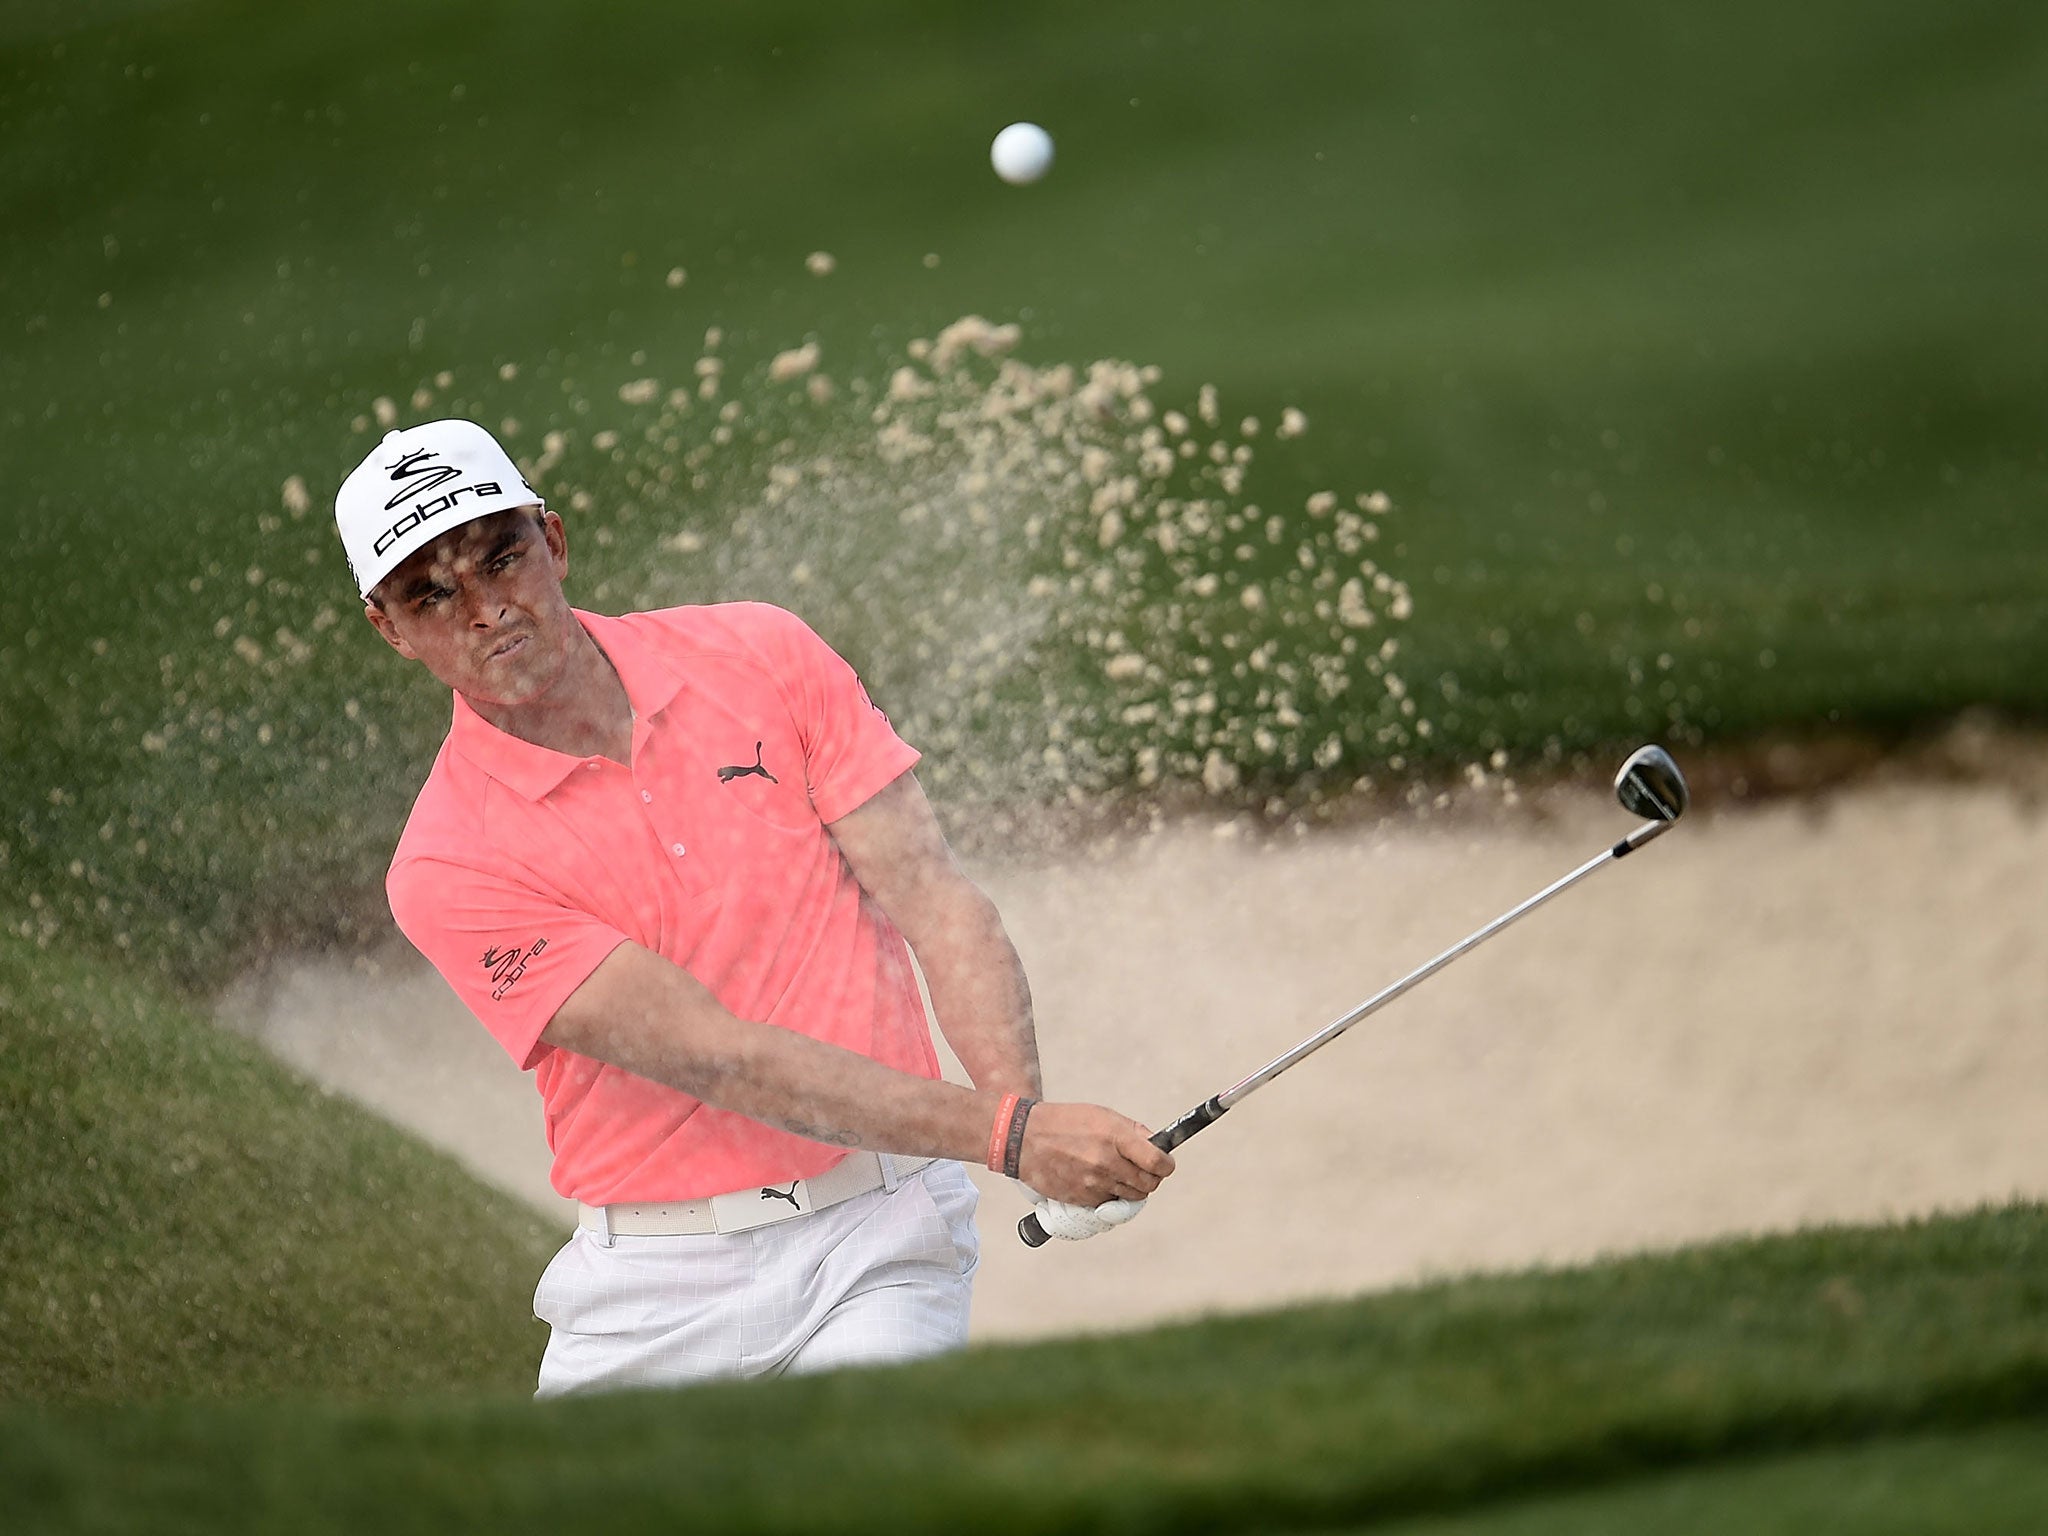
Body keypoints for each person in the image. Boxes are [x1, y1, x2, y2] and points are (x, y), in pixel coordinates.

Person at [334, 418, 1173, 1395]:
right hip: (650, 1290)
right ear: (388, 629)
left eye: (500, 558)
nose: (483, 609)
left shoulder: (759, 654)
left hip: (880, 1232)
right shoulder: (446, 862)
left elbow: (934, 898)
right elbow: (714, 1054)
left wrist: (1021, 1114)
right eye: (431, 594)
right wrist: (1013, 1137)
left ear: (552, 543)